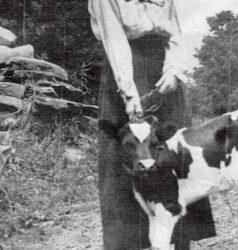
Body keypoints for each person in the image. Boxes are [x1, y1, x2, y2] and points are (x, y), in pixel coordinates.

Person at [88, 0, 216, 249]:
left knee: (177, 154)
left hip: (164, 72)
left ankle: (182, 240)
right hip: (125, 71)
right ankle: (127, 243)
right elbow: (114, 40)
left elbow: (175, 33)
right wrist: (129, 92)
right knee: (125, 159)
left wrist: (174, 71)